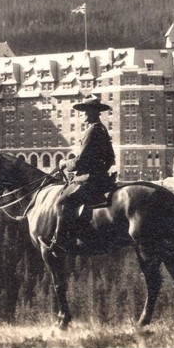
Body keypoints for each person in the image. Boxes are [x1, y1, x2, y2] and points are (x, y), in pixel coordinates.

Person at [42, 95, 116, 252]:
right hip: (101, 177)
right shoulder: (102, 129)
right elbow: (111, 158)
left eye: (83, 112)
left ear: (90, 113)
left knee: (62, 202)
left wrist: (64, 164)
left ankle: (60, 242)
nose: (81, 115)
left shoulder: (92, 130)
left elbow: (81, 161)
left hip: (89, 179)